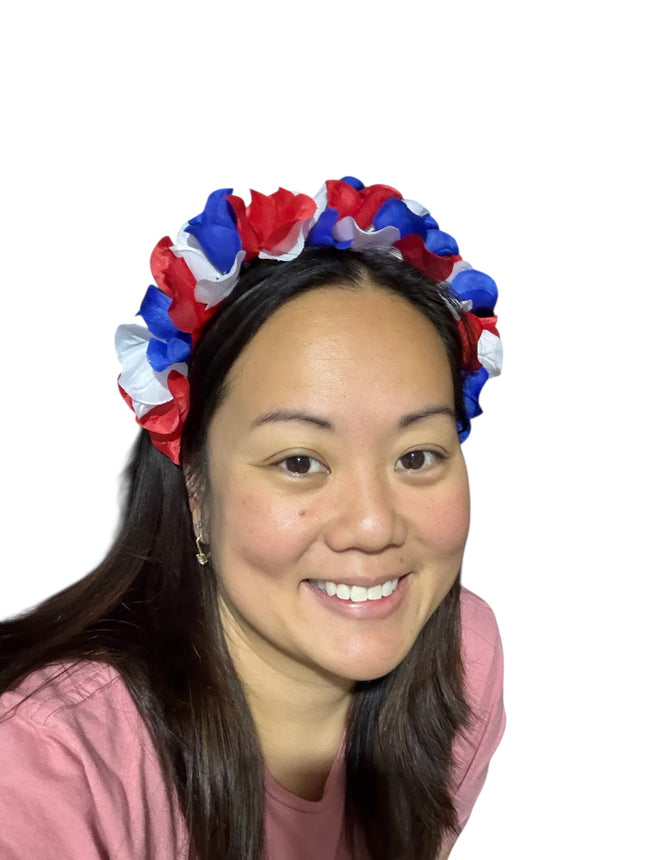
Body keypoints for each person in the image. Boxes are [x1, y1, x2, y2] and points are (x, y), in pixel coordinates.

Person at [0, 177, 505, 860]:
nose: (371, 525)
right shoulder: (43, 763)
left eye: (416, 455)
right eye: (299, 462)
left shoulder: (458, 657)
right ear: (196, 492)